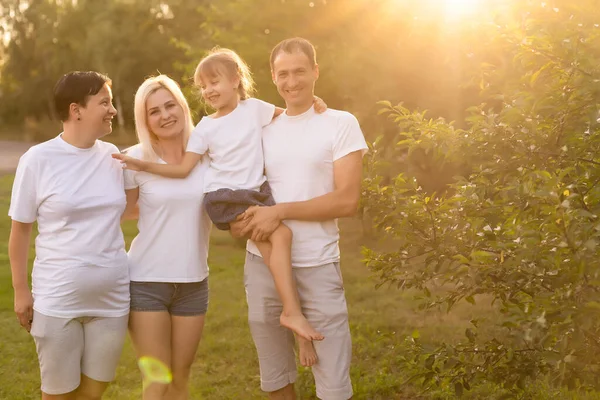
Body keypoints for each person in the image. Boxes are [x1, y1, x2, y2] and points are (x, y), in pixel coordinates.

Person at [112, 48, 326, 366]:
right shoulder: (205, 130)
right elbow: (179, 172)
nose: (209, 90)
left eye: (215, 82)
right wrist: (141, 165)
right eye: (203, 86)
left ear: (236, 79)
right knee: (281, 239)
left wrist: (315, 102)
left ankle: (295, 323)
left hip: (253, 197)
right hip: (226, 200)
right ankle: (293, 313)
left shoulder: (252, 111)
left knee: (277, 258)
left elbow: (290, 115)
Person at [235, 37, 368, 400]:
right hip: (262, 262)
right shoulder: (261, 128)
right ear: (273, 78)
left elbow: (347, 200)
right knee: (275, 375)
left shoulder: (340, 123)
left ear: (315, 71)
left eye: (299, 72)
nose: (291, 82)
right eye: (283, 74)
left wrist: (281, 211)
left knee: (333, 379)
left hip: (317, 263)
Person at [8, 71, 129, 400]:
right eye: (104, 102)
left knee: (92, 395)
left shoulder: (113, 156)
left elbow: (134, 207)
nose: (113, 110)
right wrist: (21, 292)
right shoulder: (37, 160)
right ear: (76, 110)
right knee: (59, 396)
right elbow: (20, 232)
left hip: (112, 301)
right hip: (57, 300)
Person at [121, 75, 211, 400]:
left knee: (180, 380)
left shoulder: (206, 155)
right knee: (157, 381)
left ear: (182, 106)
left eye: (170, 105)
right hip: (146, 282)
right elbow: (122, 212)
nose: (165, 115)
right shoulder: (134, 159)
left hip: (194, 282)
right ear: (145, 120)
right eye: (154, 111)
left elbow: (248, 117)